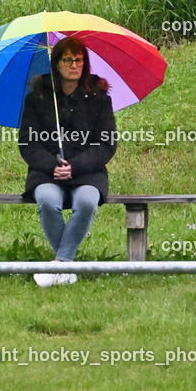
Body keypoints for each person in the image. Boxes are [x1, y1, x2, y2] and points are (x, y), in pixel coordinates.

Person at [19, 37, 117, 286]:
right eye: (68, 60)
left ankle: (60, 265)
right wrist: (53, 166)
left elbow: (106, 143)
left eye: (79, 60)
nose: (75, 65)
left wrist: (76, 167)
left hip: (87, 172)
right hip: (47, 173)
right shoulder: (38, 97)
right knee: (47, 200)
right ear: (56, 63)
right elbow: (28, 143)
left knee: (86, 201)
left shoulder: (99, 97)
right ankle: (65, 267)